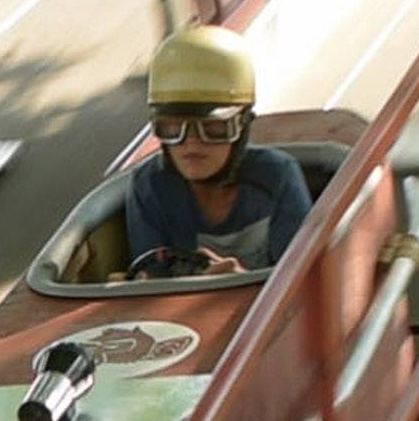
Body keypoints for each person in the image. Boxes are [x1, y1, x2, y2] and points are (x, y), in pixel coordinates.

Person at [122, 25, 313, 274]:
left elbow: (299, 279)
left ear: (242, 127)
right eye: (173, 128)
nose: (192, 143)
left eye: (212, 128)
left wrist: (239, 280)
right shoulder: (149, 186)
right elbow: (151, 279)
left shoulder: (278, 176)